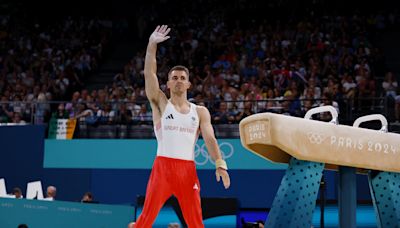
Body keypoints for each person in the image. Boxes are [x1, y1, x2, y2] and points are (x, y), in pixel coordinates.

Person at [129, 25, 230, 228]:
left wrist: (220, 163)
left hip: (187, 170)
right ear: (167, 83)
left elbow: (210, 138)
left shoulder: (200, 112)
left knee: (196, 223)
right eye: (174, 78)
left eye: (182, 78)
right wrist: (151, 46)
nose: (178, 81)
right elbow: (149, 73)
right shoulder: (160, 103)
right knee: (145, 219)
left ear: (189, 84)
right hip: (163, 168)